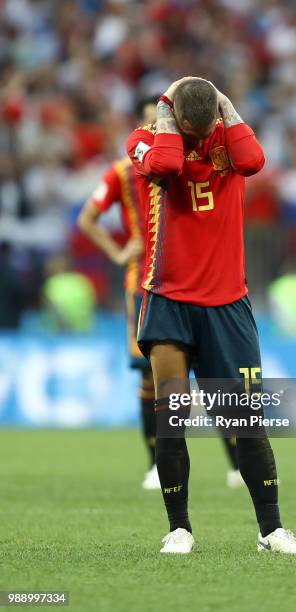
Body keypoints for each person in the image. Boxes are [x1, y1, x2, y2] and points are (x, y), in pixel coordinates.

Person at [127, 77, 296, 554]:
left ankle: (271, 531)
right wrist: (168, 117)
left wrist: (226, 107)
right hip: (168, 297)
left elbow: (255, 162)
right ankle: (179, 528)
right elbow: (165, 164)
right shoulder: (145, 138)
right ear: (178, 120)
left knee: (245, 421)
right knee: (173, 414)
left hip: (228, 303)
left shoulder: (225, 137)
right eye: (196, 125)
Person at [78, 97, 161, 490]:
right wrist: (116, 251)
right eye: (148, 124)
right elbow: (87, 218)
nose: (155, 130)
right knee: (150, 376)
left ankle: (234, 464)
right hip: (142, 283)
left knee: (200, 377)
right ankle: (156, 464)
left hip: (186, 282)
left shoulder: (184, 166)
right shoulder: (122, 173)